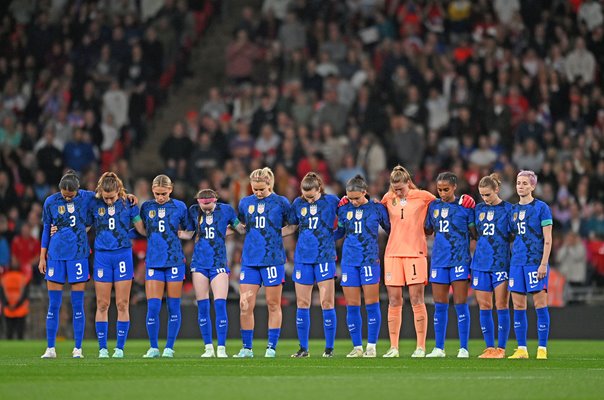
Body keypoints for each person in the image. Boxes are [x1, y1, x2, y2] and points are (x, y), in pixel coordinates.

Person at [179, 189, 245, 358]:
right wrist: (175, 233)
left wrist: (249, 226)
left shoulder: (226, 210)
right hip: (199, 263)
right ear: (198, 202)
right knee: (202, 306)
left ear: (215, 200)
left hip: (218, 263)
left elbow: (239, 228)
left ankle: (221, 348)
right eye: (203, 204)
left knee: (220, 304)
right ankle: (208, 347)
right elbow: (191, 232)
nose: (206, 207)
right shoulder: (193, 210)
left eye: (209, 203)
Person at [234, 167, 291, 358]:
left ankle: (271, 348)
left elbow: (292, 225)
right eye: (255, 189)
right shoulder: (245, 203)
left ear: (270, 184)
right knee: (245, 305)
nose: (258, 193)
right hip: (250, 260)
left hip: (273, 260)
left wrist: (275, 235)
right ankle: (247, 348)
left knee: (273, 304)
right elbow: (243, 226)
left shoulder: (280, 202)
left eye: (261, 189)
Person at [380, 166, 436, 358]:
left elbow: (441, 209)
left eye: (400, 188)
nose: (398, 192)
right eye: (394, 188)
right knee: (394, 300)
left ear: (408, 183)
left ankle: (420, 347)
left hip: (415, 253)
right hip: (393, 254)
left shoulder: (423, 196)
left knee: (416, 299)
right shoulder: (387, 199)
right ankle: (393, 347)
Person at [88, 172, 145, 358]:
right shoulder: (94, 203)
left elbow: (141, 229)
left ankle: (119, 348)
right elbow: (86, 227)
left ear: (119, 191)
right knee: (102, 303)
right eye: (106, 198)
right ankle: (102, 348)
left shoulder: (129, 204)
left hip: (123, 255)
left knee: (122, 303)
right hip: (102, 256)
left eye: (112, 197)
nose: (109, 201)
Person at [39, 171, 95, 358]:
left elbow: (105, 193)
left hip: (78, 255)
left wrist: (127, 195)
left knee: (77, 304)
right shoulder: (51, 202)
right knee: (54, 304)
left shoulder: (86, 197)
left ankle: (78, 348)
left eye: (71, 196)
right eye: (64, 194)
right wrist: (42, 257)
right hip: (55, 255)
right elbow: (46, 228)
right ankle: (50, 348)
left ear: (78, 191)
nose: (67, 197)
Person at [286, 172, 339, 358]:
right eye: (305, 195)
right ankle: (303, 348)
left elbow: (346, 218)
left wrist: (335, 236)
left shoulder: (332, 201)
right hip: (303, 258)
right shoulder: (297, 203)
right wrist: (274, 233)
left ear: (319, 189)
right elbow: (292, 226)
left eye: (312, 196)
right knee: (302, 303)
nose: (308, 199)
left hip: (324, 257)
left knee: (327, 302)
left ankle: (329, 349)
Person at [336, 175, 390, 358]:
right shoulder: (343, 210)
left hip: (369, 260)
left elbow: (391, 229)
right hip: (349, 261)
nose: (354, 202)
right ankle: (357, 347)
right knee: (352, 305)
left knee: (371, 304)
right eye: (350, 198)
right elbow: (340, 233)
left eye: (357, 198)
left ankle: (372, 346)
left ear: (365, 192)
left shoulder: (376, 208)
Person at [424, 172, 476, 358]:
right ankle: (439, 348)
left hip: (459, 259)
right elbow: (428, 229)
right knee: (440, 305)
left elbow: (474, 233)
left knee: (461, 304)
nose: (442, 193)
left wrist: (473, 206)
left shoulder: (465, 207)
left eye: (446, 189)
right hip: (439, 260)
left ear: (455, 187)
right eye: (439, 190)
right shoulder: (433, 206)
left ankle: (463, 348)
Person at [139, 175, 189, 358]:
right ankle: (153, 347)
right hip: (153, 261)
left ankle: (169, 347)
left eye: (163, 193)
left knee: (173, 307)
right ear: (152, 190)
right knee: (153, 307)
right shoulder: (146, 207)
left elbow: (190, 231)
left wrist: (180, 235)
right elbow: (141, 229)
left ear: (171, 189)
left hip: (174, 261)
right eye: (157, 193)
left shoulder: (180, 207)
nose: (160, 197)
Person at [508, 170, 553, 360]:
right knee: (518, 306)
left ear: (533, 186)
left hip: (536, 263)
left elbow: (548, 239)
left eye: (525, 183)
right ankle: (522, 349)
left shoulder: (542, 208)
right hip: (517, 263)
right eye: (519, 183)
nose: (521, 186)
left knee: (540, 304)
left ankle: (542, 348)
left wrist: (543, 264)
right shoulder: (513, 210)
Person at [472, 174, 513, 358]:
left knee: (502, 304)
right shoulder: (478, 209)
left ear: (497, 190)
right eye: (482, 195)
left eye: (488, 194)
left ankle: (501, 349)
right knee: (484, 305)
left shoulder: (508, 209)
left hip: (501, 263)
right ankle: (489, 348)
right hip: (480, 263)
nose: (485, 199)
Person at [0, 263, 30, 339]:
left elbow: (2, 294)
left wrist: (8, 304)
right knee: (20, 332)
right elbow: (25, 294)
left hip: (8, 309)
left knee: (9, 332)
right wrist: (17, 305)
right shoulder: (23, 278)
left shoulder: (4, 278)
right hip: (21, 309)